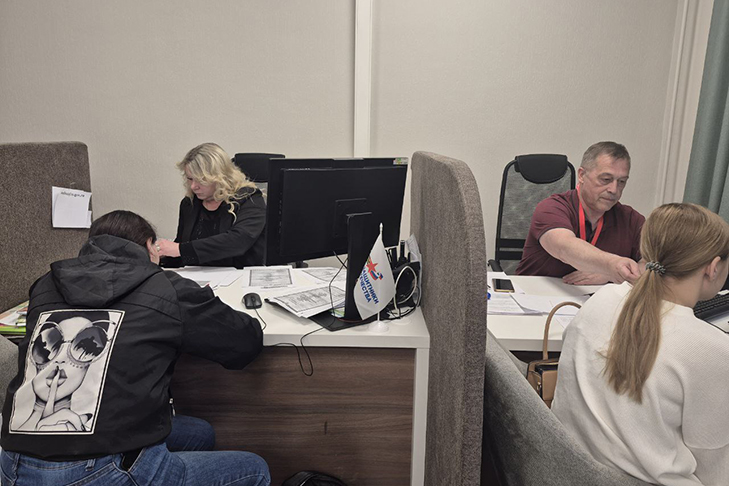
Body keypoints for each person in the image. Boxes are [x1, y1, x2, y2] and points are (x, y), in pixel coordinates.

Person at [1, 210, 269, 486]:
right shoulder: (166, 287)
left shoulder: (45, 285)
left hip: (13, 466)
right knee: (255, 469)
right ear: (150, 247)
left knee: (199, 433)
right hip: (102, 471)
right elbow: (244, 343)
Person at [552, 203, 729, 485]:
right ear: (713, 267)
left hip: (567, 468)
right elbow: (716, 471)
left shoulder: (602, 299)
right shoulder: (712, 349)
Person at [516, 141, 645, 285]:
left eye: (621, 182)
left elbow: (653, 265)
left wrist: (610, 275)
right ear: (582, 175)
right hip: (535, 294)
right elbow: (565, 248)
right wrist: (611, 266)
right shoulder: (551, 208)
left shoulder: (631, 219)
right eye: (606, 179)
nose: (614, 190)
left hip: (595, 298)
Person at [157, 142, 266, 268]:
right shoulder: (189, 203)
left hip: (239, 275)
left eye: (201, 180)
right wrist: (161, 256)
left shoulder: (250, 199)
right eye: (190, 179)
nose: (193, 186)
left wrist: (180, 249)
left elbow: (238, 241)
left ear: (220, 177)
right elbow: (182, 247)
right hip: (197, 276)